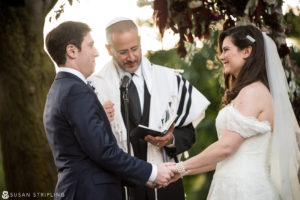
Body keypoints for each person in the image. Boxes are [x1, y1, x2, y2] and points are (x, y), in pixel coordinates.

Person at [43, 21, 175, 200]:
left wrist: (143, 178)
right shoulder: (76, 90)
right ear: (72, 51)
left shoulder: (60, 88)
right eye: (90, 45)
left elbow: (90, 153)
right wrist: (152, 172)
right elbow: (102, 151)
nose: (96, 52)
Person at [169, 25, 300, 200]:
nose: (221, 56)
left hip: (246, 190)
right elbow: (224, 158)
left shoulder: (253, 92)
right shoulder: (252, 91)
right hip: (235, 184)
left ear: (246, 51)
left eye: (226, 50)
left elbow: (226, 147)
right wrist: (182, 172)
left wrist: (179, 167)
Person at [88, 17, 210, 200]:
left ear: (140, 42)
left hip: (165, 184)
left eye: (134, 49)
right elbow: (87, 139)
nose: (131, 57)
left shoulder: (169, 79)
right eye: (122, 52)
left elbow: (189, 133)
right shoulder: (94, 86)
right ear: (109, 49)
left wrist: (170, 139)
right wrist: (99, 118)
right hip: (118, 187)